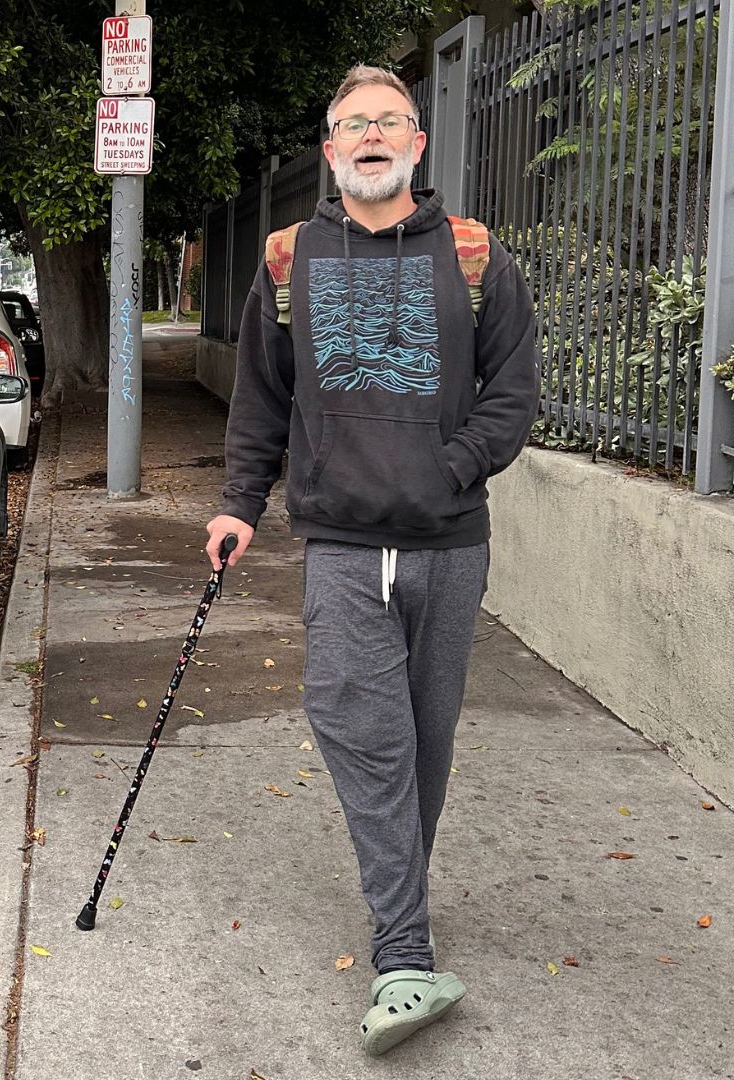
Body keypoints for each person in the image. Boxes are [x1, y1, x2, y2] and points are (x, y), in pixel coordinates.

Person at [204, 65, 540, 1056]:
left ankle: (402, 900)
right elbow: (261, 401)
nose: (372, 137)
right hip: (343, 546)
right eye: (354, 125)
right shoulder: (284, 257)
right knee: (364, 730)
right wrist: (238, 504)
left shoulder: (476, 257)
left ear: (419, 146)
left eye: (391, 122)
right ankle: (404, 953)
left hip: (449, 547)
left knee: (424, 745)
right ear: (330, 148)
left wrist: (450, 470)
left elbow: (512, 396)